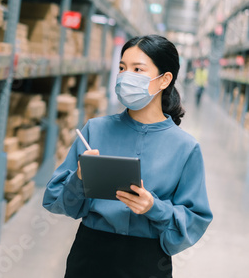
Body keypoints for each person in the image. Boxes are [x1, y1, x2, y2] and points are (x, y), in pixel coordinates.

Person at [43, 35, 212, 278]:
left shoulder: (185, 147)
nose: (125, 76)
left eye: (137, 69)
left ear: (164, 80)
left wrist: (155, 208)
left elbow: (195, 221)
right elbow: (54, 199)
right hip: (90, 255)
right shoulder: (95, 130)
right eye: (122, 68)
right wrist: (78, 179)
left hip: (147, 261)